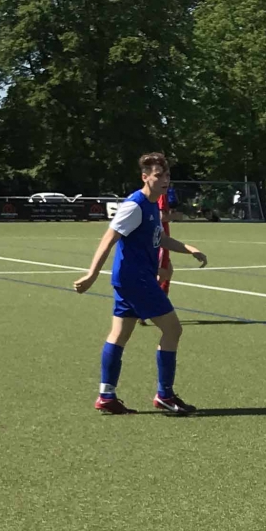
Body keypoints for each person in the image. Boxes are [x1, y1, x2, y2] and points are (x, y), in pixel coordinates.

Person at [71, 153, 209, 415]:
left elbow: (159, 239)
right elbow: (108, 239)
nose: (164, 180)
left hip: (131, 279)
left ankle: (106, 396)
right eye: (158, 175)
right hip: (136, 280)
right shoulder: (135, 206)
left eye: (167, 175)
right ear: (145, 177)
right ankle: (165, 395)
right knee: (173, 330)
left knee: (119, 334)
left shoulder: (153, 204)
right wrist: (91, 275)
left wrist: (188, 248)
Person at [156, 181, 178, 293]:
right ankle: (152, 298)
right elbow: (161, 217)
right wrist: (176, 216)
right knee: (162, 273)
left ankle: (163, 298)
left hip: (161, 237)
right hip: (160, 238)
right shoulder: (162, 193)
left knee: (168, 270)